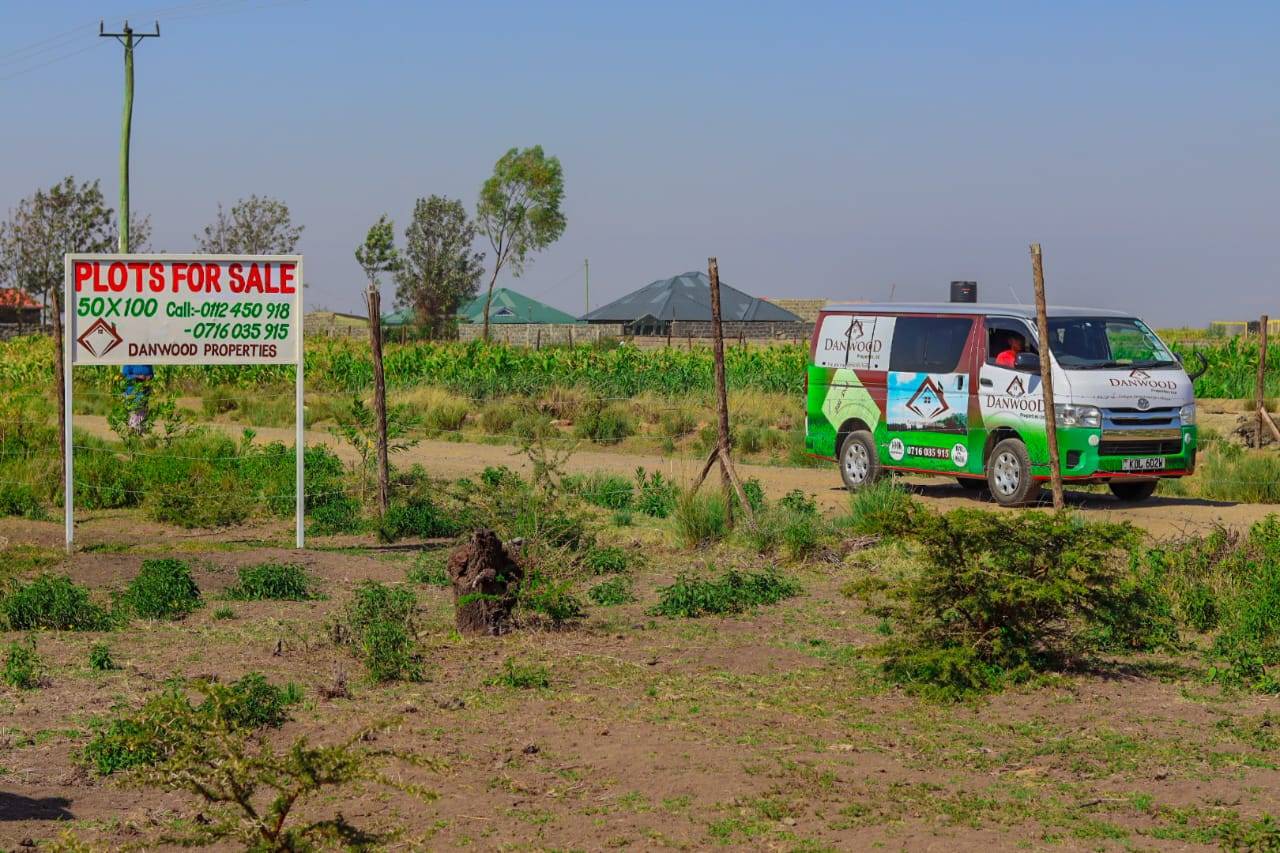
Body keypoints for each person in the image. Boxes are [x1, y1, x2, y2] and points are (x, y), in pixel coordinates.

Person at [121, 364, 154, 433]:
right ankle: (132, 433)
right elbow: (125, 375)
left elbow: (152, 374)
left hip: (144, 391)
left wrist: (149, 377)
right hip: (132, 391)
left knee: (142, 413)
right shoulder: (129, 361)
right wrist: (137, 377)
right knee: (134, 412)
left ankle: (139, 434)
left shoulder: (148, 362)